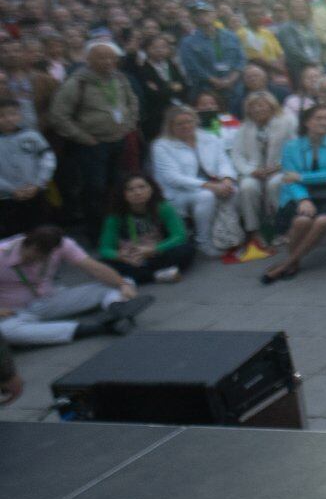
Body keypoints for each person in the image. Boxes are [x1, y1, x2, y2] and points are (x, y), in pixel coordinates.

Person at [0, 225, 152, 348]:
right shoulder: (3, 252)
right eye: (33, 255)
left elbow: (94, 268)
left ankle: (118, 309)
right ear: (27, 243)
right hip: (14, 311)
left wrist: (122, 284)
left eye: (44, 256)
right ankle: (97, 329)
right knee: (6, 332)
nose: (37, 259)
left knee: (121, 282)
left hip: (50, 298)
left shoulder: (62, 244)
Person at [258, 103, 326, 282]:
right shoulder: (291, 147)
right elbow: (289, 178)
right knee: (302, 220)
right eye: (319, 118)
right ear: (307, 122)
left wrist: (301, 177)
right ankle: (293, 263)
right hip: (303, 193)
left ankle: (288, 263)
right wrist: (303, 198)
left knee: (322, 220)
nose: (324, 122)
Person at [45, 41, 138, 231]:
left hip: (118, 140)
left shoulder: (120, 78)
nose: (108, 61)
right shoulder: (76, 83)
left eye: (112, 57)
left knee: (116, 186)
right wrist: (82, 137)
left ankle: (117, 226)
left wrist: (128, 126)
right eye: (101, 57)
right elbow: (58, 116)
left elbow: (132, 102)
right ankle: (96, 230)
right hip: (92, 145)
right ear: (88, 59)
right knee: (94, 189)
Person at [151, 104, 240, 256]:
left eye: (189, 121)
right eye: (179, 123)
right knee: (205, 196)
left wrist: (226, 179)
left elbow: (223, 162)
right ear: (170, 126)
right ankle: (203, 241)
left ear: (195, 121)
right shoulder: (162, 145)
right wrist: (209, 186)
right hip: (178, 192)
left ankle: (227, 234)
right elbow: (173, 178)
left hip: (210, 184)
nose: (186, 126)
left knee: (234, 190)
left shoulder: (209, 137)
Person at [97, 173, 197, 284]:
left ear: (151, 189)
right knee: (102, 264)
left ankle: (138, 277)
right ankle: (156, 276)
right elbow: (105, 248)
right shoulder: (115, 215)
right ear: (122, 194)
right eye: (130, 189)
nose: (138, 193)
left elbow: (179, 235)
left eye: (142, 187)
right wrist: (121, 256)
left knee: (186, 249)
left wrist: (155, 249)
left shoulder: (163, 207)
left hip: (156, 252)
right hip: (131, 256)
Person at [229, 90, 296, 251]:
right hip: (254, 171)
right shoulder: (244, 127)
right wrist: (251, 171)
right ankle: (254, 231)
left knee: (275, 184)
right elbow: (236, 155)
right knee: (247, 187)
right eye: (254, 106)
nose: (258, 109)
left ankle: (281, 227)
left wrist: (279, 166)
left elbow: (295, 147)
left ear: (271, 106)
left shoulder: (287, 121)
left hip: (280, 168)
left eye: (262, 105)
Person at [0, 99, 56, 238]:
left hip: (35, 193)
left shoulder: (32, 136)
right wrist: (11, 189)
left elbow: (47, 159)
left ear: (19, 115)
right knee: (11, 236)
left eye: (12, 114)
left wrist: (38, 183)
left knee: (38, 233)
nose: (8, 119)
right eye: (2, 116)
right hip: (6, 199)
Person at [178, 1, 247, 110]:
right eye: (197, 14)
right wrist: (216, 81)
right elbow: (193, 68)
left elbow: (241, 59)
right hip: (206, 93)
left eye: (206, 12)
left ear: (214, 14)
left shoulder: (231, 36)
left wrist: (231, 79)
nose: (202, 16)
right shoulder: (187, 43)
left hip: (234, 89)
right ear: (193, 18)